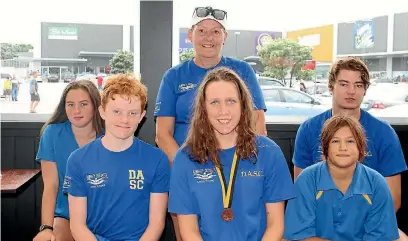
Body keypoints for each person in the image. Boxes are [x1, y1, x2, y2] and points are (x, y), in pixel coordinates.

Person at [155, 7, 267, 240]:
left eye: (216, 31)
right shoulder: (173, 76)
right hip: (188, 172)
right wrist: (188, 168)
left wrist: (245, 167)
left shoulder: (242, 71)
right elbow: (162, 134)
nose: (209, 37)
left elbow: (258, 125)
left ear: (225, 36)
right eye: (202, 31)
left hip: (237, 170)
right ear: (190, 35)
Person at [168, 67, 296, 240]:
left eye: (230, 101)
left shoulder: (268, 152)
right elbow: (189, 231)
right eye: (214, 102)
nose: (223, 111)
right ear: (203, 109)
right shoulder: (185, 158)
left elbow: (275, 226)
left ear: (243, 105)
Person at [292, 57, 408, 240]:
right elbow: (300, 192)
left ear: (365, 90)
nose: (351, 91)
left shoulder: (384, 133)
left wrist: (356, 229)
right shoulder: (308, 129)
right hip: (319, 226)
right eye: (344, 84)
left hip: (370, 224)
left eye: (358, 85)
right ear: (331, 86)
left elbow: (393, 199)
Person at [64, 74, 170, 241]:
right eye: (117, 111)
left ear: (142, 116)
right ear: (102, 111)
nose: (124, 120)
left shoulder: (158, 160)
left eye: (132, 113)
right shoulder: (78, 160)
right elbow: (77, 225)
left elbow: (156, 224)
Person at [284, 115, 400, 241]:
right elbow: (299, 235)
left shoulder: (376, 183)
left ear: (360, 147)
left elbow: (381, 236)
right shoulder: (307, 179)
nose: (343, 148)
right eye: (335, 141)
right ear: (325, 147)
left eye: (350, 141)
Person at [33, 80, 104, 241]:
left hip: (102, 215)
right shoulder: (52, 133)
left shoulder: (110, 136)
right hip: (66, 215)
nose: (76, 110)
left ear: (96, 106)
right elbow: (51, 186)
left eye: (83, 104)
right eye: (70, 104)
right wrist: (46, 227)